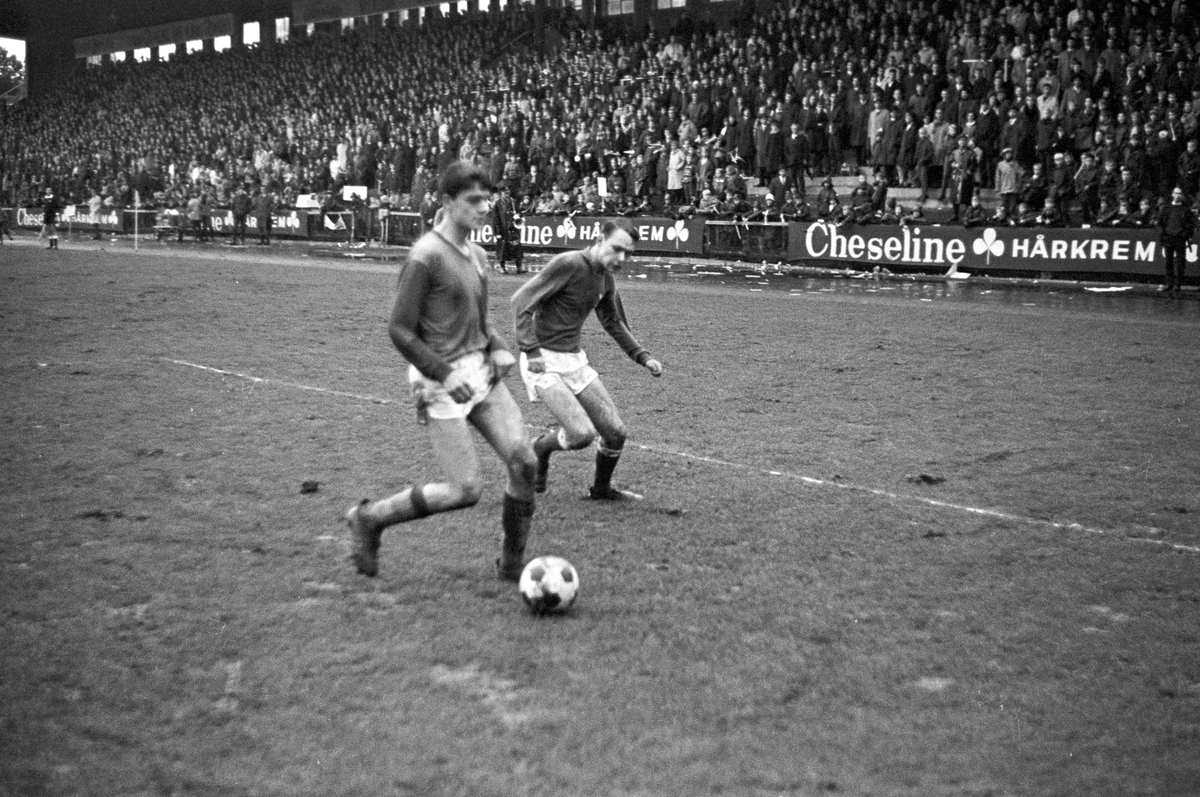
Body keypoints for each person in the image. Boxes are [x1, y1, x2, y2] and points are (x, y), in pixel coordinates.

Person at [345, 161, 538, 580]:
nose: (484, 208)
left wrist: (500, 348)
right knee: (465, 491)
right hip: (438, 380)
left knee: (524, 462)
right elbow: (399, 330)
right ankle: (371, 518)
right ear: (448, 202)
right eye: (473, 200)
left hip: (480, 371)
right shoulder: (425, 256)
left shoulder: (479, 254)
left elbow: (479, 320)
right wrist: (447, 374)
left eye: (487, 199)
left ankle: (512, 565)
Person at [511, 219, 664, 502]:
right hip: (542, 360)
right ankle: (541, 448)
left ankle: (601, 490)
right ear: (598, 237)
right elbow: (521, 302)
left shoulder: (605, 278)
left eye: (628, 254)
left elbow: (614, 322)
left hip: (573, 361)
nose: (621, 259)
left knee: (616, 433)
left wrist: (643, 357)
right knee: (581, 434)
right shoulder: (568, 264)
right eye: (616, 249)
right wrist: (530, 350)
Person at [1158, 186, 1196, 295]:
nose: (1177, 195)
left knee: (1180, 262)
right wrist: (1163, 234)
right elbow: (1160, 222)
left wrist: (1184, 234)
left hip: (1179, 238)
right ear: (1172, 194)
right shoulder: (1166, 208)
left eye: (1179, 193)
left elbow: (1190, 224)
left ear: (1181, 195)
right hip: (1168, 237)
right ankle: (1169, 283)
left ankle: (1178, 284)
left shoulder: (1186, 209)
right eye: (1176, 193)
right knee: (1168, 262)